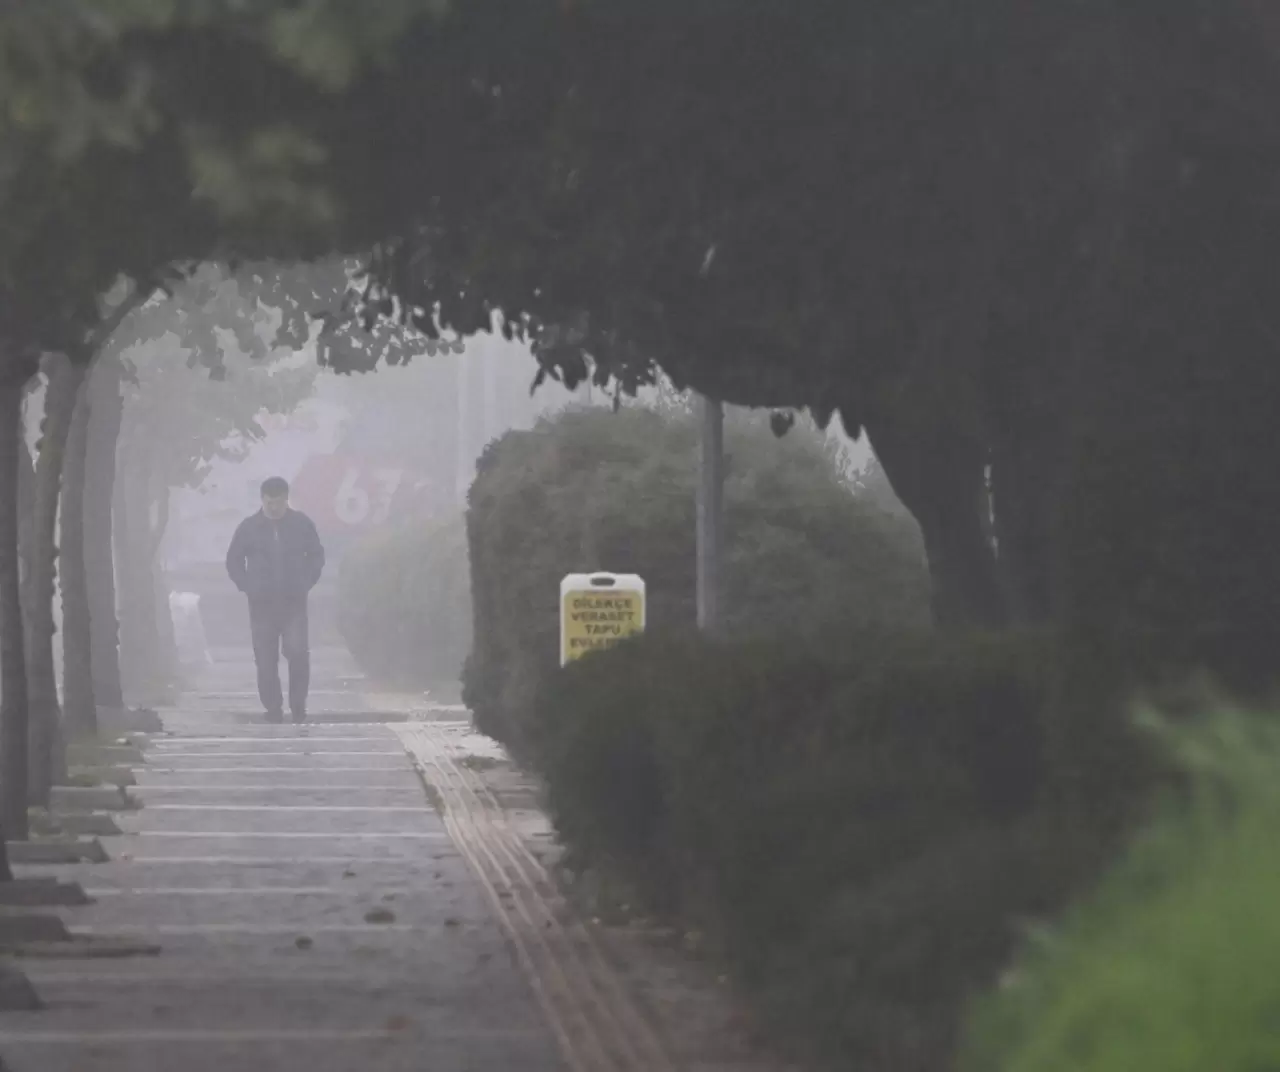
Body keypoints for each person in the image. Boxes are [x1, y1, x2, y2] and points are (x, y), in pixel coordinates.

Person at [225, 477, 325, 723]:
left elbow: (316, 556)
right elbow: (233, 560)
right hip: (261, 606)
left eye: (278, 503)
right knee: (265, 660)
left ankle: (298, 706)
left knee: (298, 653)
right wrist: (247, 586)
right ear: (262, 500)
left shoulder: (301, 524)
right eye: (269, 503)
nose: (273, 508)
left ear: (286, 499)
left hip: (294, 603)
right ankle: (273, 708)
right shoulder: (249, 527)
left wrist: (306, 582)